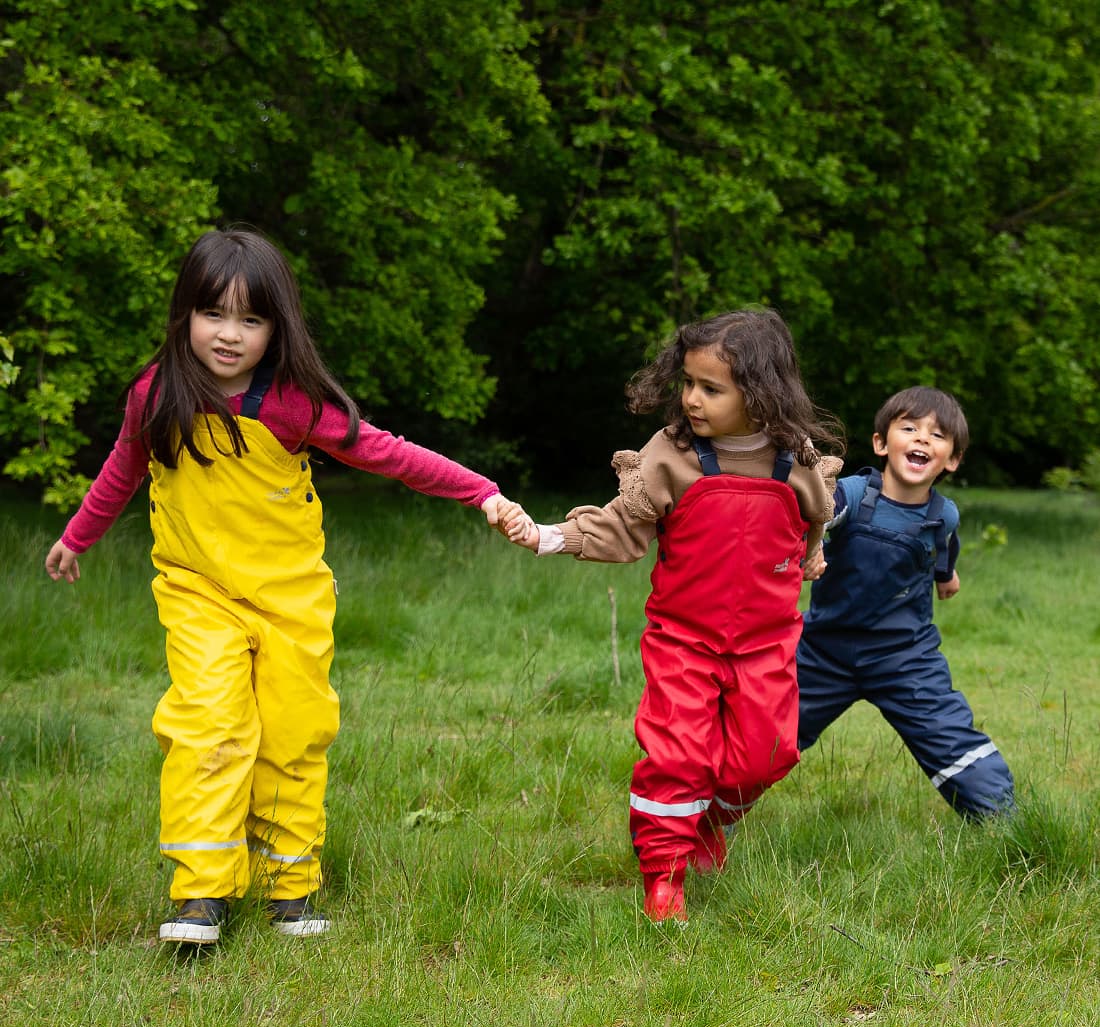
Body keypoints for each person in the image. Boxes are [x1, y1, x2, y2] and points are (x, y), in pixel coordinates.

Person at [45, 227, 529, 946]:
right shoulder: (157, 394)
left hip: (291, 599)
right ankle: (200, 895)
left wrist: (481, 493)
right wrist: (77, 534)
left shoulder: (292, 406)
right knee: (208, 725)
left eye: (251, 319)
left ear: (278, 327)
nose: (230, 335)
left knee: (292, 736)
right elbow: (124, 466)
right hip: (198, 592)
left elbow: (389, 454)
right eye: (214, 315)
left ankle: (288, 888)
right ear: (185, 316)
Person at [502, 308, 844, 921]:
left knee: (768, 755)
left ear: (762, 393)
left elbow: (814, 517)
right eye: (687, 382)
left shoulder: (794, 459)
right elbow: (622, 527)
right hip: (684, 640)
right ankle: (665, 875)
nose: (692, 399)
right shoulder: (673, 455)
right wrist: (551, 536)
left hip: (766, 642)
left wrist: (812, 558)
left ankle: (710, 820)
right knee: (679, 756)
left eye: (711, 388)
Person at [796, 386, 1015, 818]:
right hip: (823, 651)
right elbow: (824, 510)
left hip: (904, 655)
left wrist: (946, 577)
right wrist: (813, 540)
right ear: (881, 443)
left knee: (950, 736)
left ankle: (1003, 820)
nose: (921, 439)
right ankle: (705, 820)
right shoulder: (854, 494)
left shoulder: (943, 513)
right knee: (767, 737)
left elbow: (943, 545)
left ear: (951, 459)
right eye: (910, 428)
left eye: (936, 435)